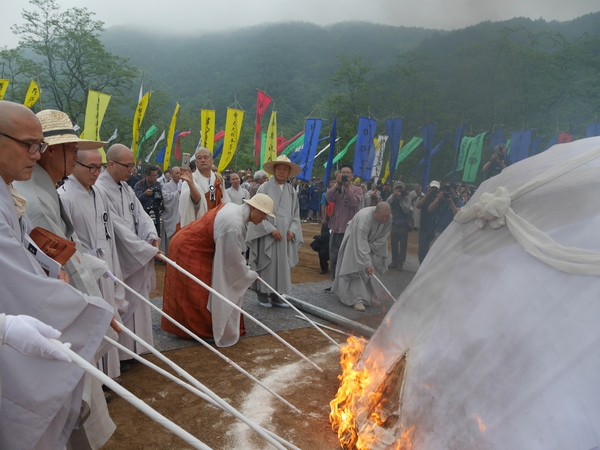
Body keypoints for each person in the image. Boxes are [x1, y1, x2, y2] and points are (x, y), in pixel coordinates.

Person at [0, 100, 114, 449]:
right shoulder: (30, 195)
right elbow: (17, 276)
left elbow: (44, 253)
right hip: (31, 320)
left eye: (41, 146)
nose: (37, 154)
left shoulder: (15, 190)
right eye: (31, 145)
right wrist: (86, 310)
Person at [161, 194, 276, 347]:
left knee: (203, 286)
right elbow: (231, 262)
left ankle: (194, 326)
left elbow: (231, 256)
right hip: (189, 248)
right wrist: (247, 273)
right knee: (197, 288)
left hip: (195, 243)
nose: (264, 219)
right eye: (263, 214)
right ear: (253, 208)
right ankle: (197, 329)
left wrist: (245, 270)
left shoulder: (234, 210)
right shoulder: (233, 223)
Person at [58, 149, 125, 379]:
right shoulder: (64, 196)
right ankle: (96, 378)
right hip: (84, 266)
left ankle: (111, 370)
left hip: (105, 261)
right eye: (91, 168)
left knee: (110, 313)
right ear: (74, 165)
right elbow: (69, 239)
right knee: (92, 318)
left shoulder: (99, 192)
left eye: (100, 167)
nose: (96, 173)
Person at [95, 144, 159, 361]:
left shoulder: (126, 188)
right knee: (121, 301)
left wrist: (151, 236)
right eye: (127, 165)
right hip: (119, 253)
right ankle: (121, 355)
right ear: (111, 163)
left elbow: (141, 216)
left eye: (133, 165)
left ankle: (136, 349)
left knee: (137, 301)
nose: (131, 170)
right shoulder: (100, 189)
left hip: (135, 250)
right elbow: (118, 227)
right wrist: (142, 249)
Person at [246, 155, 303, 307]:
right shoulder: (264, 187)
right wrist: (271, 229)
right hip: (267, 232)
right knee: (266, 261)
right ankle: (263, 293)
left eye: (285, 169)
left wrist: (292, 229)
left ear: (289, 172)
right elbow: (257, 210)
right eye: (279, 168)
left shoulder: (291, 191)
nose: (282, 171)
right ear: (274, 170)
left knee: (281, 264)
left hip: (285, 235)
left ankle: (277, 294)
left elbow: (295, 213)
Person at [332, 202, 392, 311]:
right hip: (355, 240)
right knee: (355, 267)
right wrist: (366, 263)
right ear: (375, 213)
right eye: (383, 216)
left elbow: (384, 235)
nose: (385, 219)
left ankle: (372, 295)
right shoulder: (365, 219)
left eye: (387, 216)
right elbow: (361, 242)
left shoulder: (388, 219)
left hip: (372, 244)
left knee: (374, 268)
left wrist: (372, 247)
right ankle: (356, 298)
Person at [325, 164, 363, 287]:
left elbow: (354, 203)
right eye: (343, 172)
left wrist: (348, 188)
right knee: (334, 256)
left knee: (346, 258)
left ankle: (344, 285)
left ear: (352, 175)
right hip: (335, 228)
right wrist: (337, 184)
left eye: (348, 172)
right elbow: (328, 197)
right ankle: (334, 283)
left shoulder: (357, 189)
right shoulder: (337, 188)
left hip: (348, 230)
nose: (345, 175)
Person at [178, 147, 230, 228]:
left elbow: (225, 201)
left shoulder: (218, 179)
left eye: (206, 157)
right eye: (199, 158)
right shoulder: (191, 179)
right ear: (195, 162)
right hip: (200, 223)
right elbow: (196, 201)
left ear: (212, 160)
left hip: (217, 222)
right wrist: (191, 183)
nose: (203, 160)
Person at [387, 182, 412, 271]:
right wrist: (393, 195)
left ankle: (400, 262)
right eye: (397, 189)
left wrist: (401, 199)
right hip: (394, 223)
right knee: (393, 243)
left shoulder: (407, 198)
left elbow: (406, 210)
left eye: (400, 189)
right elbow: (387, 204)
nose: (399, 190)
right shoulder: (393, 197)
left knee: (403, 245)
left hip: (404, 224)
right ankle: (394, 261)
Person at [416, 180, 441, 263]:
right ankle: (421, 266)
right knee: (422, 250)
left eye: (435, 189)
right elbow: (418, 205)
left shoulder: (440, 199)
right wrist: (427, 196)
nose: (433, 191)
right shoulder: (425, 197)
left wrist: (438, 198)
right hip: (424, 226)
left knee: (433, 250)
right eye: (432, 188)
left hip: (435, 227)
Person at [134, 165, 163, 236]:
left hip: (156, 213)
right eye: (153, 176)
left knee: (156, 234)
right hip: (143, 214)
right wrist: (145, 194)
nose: (155, 178)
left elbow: (161, 199)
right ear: (146, 175)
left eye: (156, 175)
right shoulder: (139, 185)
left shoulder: (158, 185)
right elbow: (136, 201)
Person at [161, 166, 181, 256]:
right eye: (176, 173)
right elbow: (166, 198)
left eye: (180, 173)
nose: (179, 175)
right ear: (171, 174)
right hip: (172, 215)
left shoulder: (184, 184)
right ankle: (170, 256)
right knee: (172, 237)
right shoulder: (167, 186)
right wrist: (178, 193)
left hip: (181, 214)